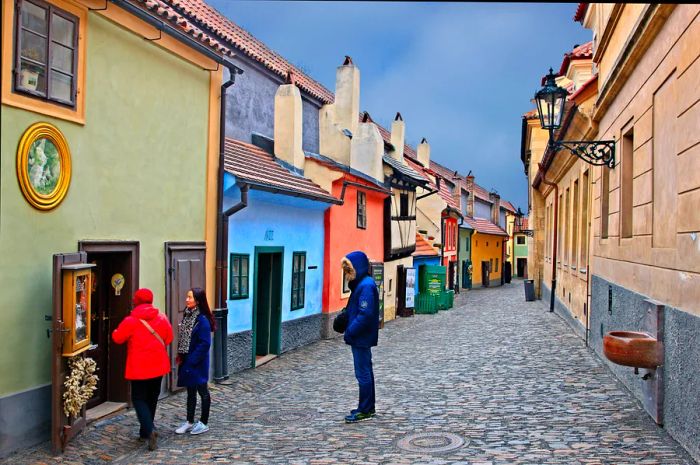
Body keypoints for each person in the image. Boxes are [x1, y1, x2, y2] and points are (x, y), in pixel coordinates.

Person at [112, 288, 173, 451]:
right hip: (158, 366)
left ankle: (149, 430)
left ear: (136, 301)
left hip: (139, 368)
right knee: (152, 398)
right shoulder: (161, 316)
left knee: (139, 399)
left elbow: (118, 338)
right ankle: (145, 432)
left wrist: (114, 331)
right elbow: (169, 337)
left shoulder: (131, 320)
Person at [341, 251, 379, 423]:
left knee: (362, 373)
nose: (348, 275)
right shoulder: (363, 284)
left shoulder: (365, 286)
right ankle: (367, 406)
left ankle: (365, 409)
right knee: (365, 372)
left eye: (350, 271)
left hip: (361, 337)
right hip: (361, 337)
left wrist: (350, 331)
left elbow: (365, 314)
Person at [174, 287, 216, 435]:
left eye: (190, 297)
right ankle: (189, 422)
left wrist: (192, 361)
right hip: (187, 359)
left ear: (198, 301)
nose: (187, 299)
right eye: (187, 296)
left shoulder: (202, 320)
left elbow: (204, 344)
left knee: (202, 391)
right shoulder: (188, 315)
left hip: (197, 362)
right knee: (190, 392)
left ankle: (204, 422)